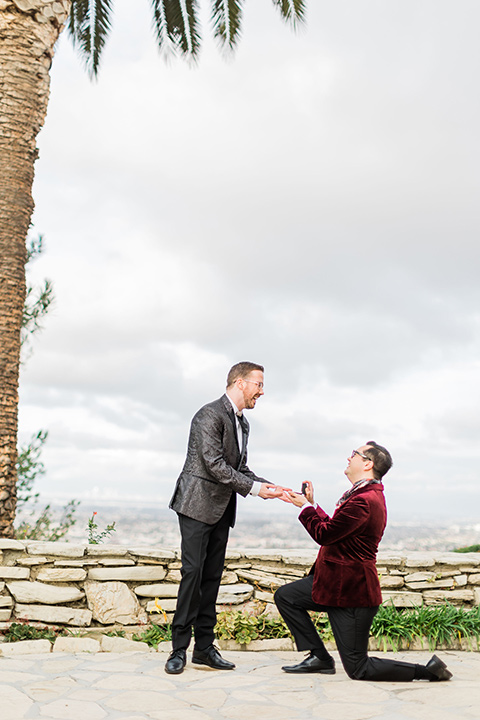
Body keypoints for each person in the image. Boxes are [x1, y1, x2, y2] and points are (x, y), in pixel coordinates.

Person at [274, 441, 452, 682]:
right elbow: (336, 530)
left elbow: (324, 535)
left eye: (354, 454)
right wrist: (313, 505)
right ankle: (320, 658)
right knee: (286, 596)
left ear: (368, 463)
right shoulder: (363, 494)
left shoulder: (365, 500)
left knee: (358, 668)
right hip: (332, 585)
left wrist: (305, 508)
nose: (349, 458)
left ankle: (427, 671)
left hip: (352, 594)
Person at [165, 361, 284, 675]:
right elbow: (214, 465)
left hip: (222, 508)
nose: (262, 391)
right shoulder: (209, 415)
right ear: (240, 382)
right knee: (192, 575)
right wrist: (255, 490)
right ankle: (178, 650)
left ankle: (204, 649)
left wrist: (269, 487)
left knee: (212, 579)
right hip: (195, 505)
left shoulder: (243, 423)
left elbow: (239, 469)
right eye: (258, 384)